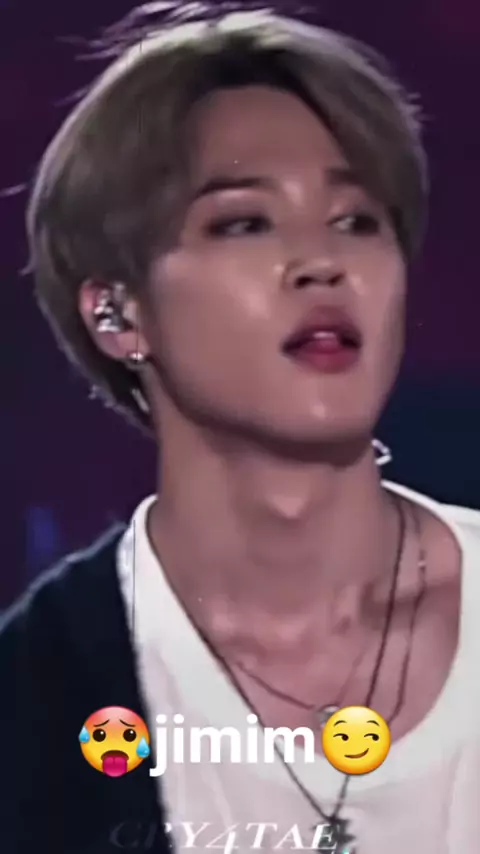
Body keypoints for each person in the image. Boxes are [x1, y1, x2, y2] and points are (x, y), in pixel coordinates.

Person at [1, 4, 479, 853]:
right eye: (245, 223)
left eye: (357, 221)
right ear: (117, 313)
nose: (323, 262)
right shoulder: (35, 693)